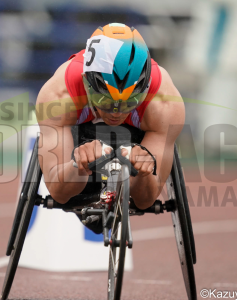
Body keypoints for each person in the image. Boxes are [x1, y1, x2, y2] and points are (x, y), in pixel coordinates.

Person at [36, 23, 184, 231]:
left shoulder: (164, 102)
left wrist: (143, 172)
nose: (116, 113)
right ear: (86, 84)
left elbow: (145, 200)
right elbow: (59, 192)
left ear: (145, 90)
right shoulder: (59, 94)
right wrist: (78, 165)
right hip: (80, 141)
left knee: (144, 168)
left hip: (136, 139)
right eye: (105, 102)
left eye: (129, 103)